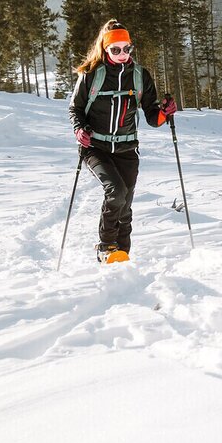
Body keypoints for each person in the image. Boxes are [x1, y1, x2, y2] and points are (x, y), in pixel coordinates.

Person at [68, 19, 177, 263]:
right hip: (96, 148)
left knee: (125, 205)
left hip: (127, 149)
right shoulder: (91, 75)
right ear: (105, 49)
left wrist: (165, 112)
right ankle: (106, 247)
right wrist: (79, 130)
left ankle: (122, 254)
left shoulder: (139, 76)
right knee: (115, 192)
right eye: (115, 49)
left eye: (126, 49)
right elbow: (75, 109)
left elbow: (152, 116)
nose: (122, 54)